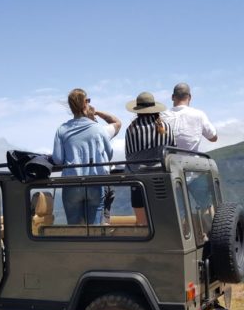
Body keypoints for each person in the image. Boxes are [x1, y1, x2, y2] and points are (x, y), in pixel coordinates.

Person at [52, 88, 121, 225]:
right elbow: (109, 153)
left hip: (71, 183)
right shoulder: (98, 129)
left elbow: (58, 159)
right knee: (94, 228)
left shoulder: (62, 129)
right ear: (85, 104)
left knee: (74, 228)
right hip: (94, 182)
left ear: (71, 107)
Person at [124, 91, 175, 225]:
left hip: (138, 181)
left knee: (142, 224)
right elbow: (172, 155)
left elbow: (129, 157)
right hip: (162, 180)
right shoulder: (166, 127)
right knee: (164, 221)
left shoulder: (131, 129)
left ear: (137, 110)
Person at [161, 82, 217, 152]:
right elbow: (213, 138)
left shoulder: (162, 116)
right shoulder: (199, 114)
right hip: (191, 161)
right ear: (189, 97)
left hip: (167, 160)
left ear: (172, 97)